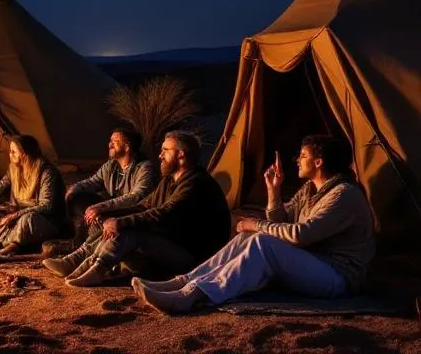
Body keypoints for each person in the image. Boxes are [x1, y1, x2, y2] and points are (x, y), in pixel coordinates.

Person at [132, 135, 375, 314]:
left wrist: (256, 224)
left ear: (319, 162)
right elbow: (280, 223)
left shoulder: (343, 194)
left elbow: (301, 235)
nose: (297, 160)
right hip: (312, 262)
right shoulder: (311, 190)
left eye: (302, 156)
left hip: (337, 275)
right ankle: (184, 282)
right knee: (249, 238)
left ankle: (193, 295)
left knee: (261, 241)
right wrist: (274, 192)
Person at [51, 130, 229, 287]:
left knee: (129, 231)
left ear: (181, 154)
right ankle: (82, 262)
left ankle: (98, 268)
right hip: (170, 242)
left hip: (193, 255)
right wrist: (107, 214)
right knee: (111, 222)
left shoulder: (195, 183)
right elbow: (144, 205)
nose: (160, 156)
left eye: (166, 151)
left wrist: (120, 222)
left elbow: (165, 213)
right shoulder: (169, 180)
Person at [51, 128, 158, 272]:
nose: (110, 145)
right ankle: (97, 228)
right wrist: (73, 189)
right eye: (110, 141)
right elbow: (92, 182)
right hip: (110, 212)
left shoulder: (145, 168)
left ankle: (75, 258)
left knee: (100, 217)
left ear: (127, 147)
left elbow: (136, 197)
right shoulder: (111, 165)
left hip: (130, 213)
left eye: (115, 142)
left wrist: (102, 207)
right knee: (78, 198)